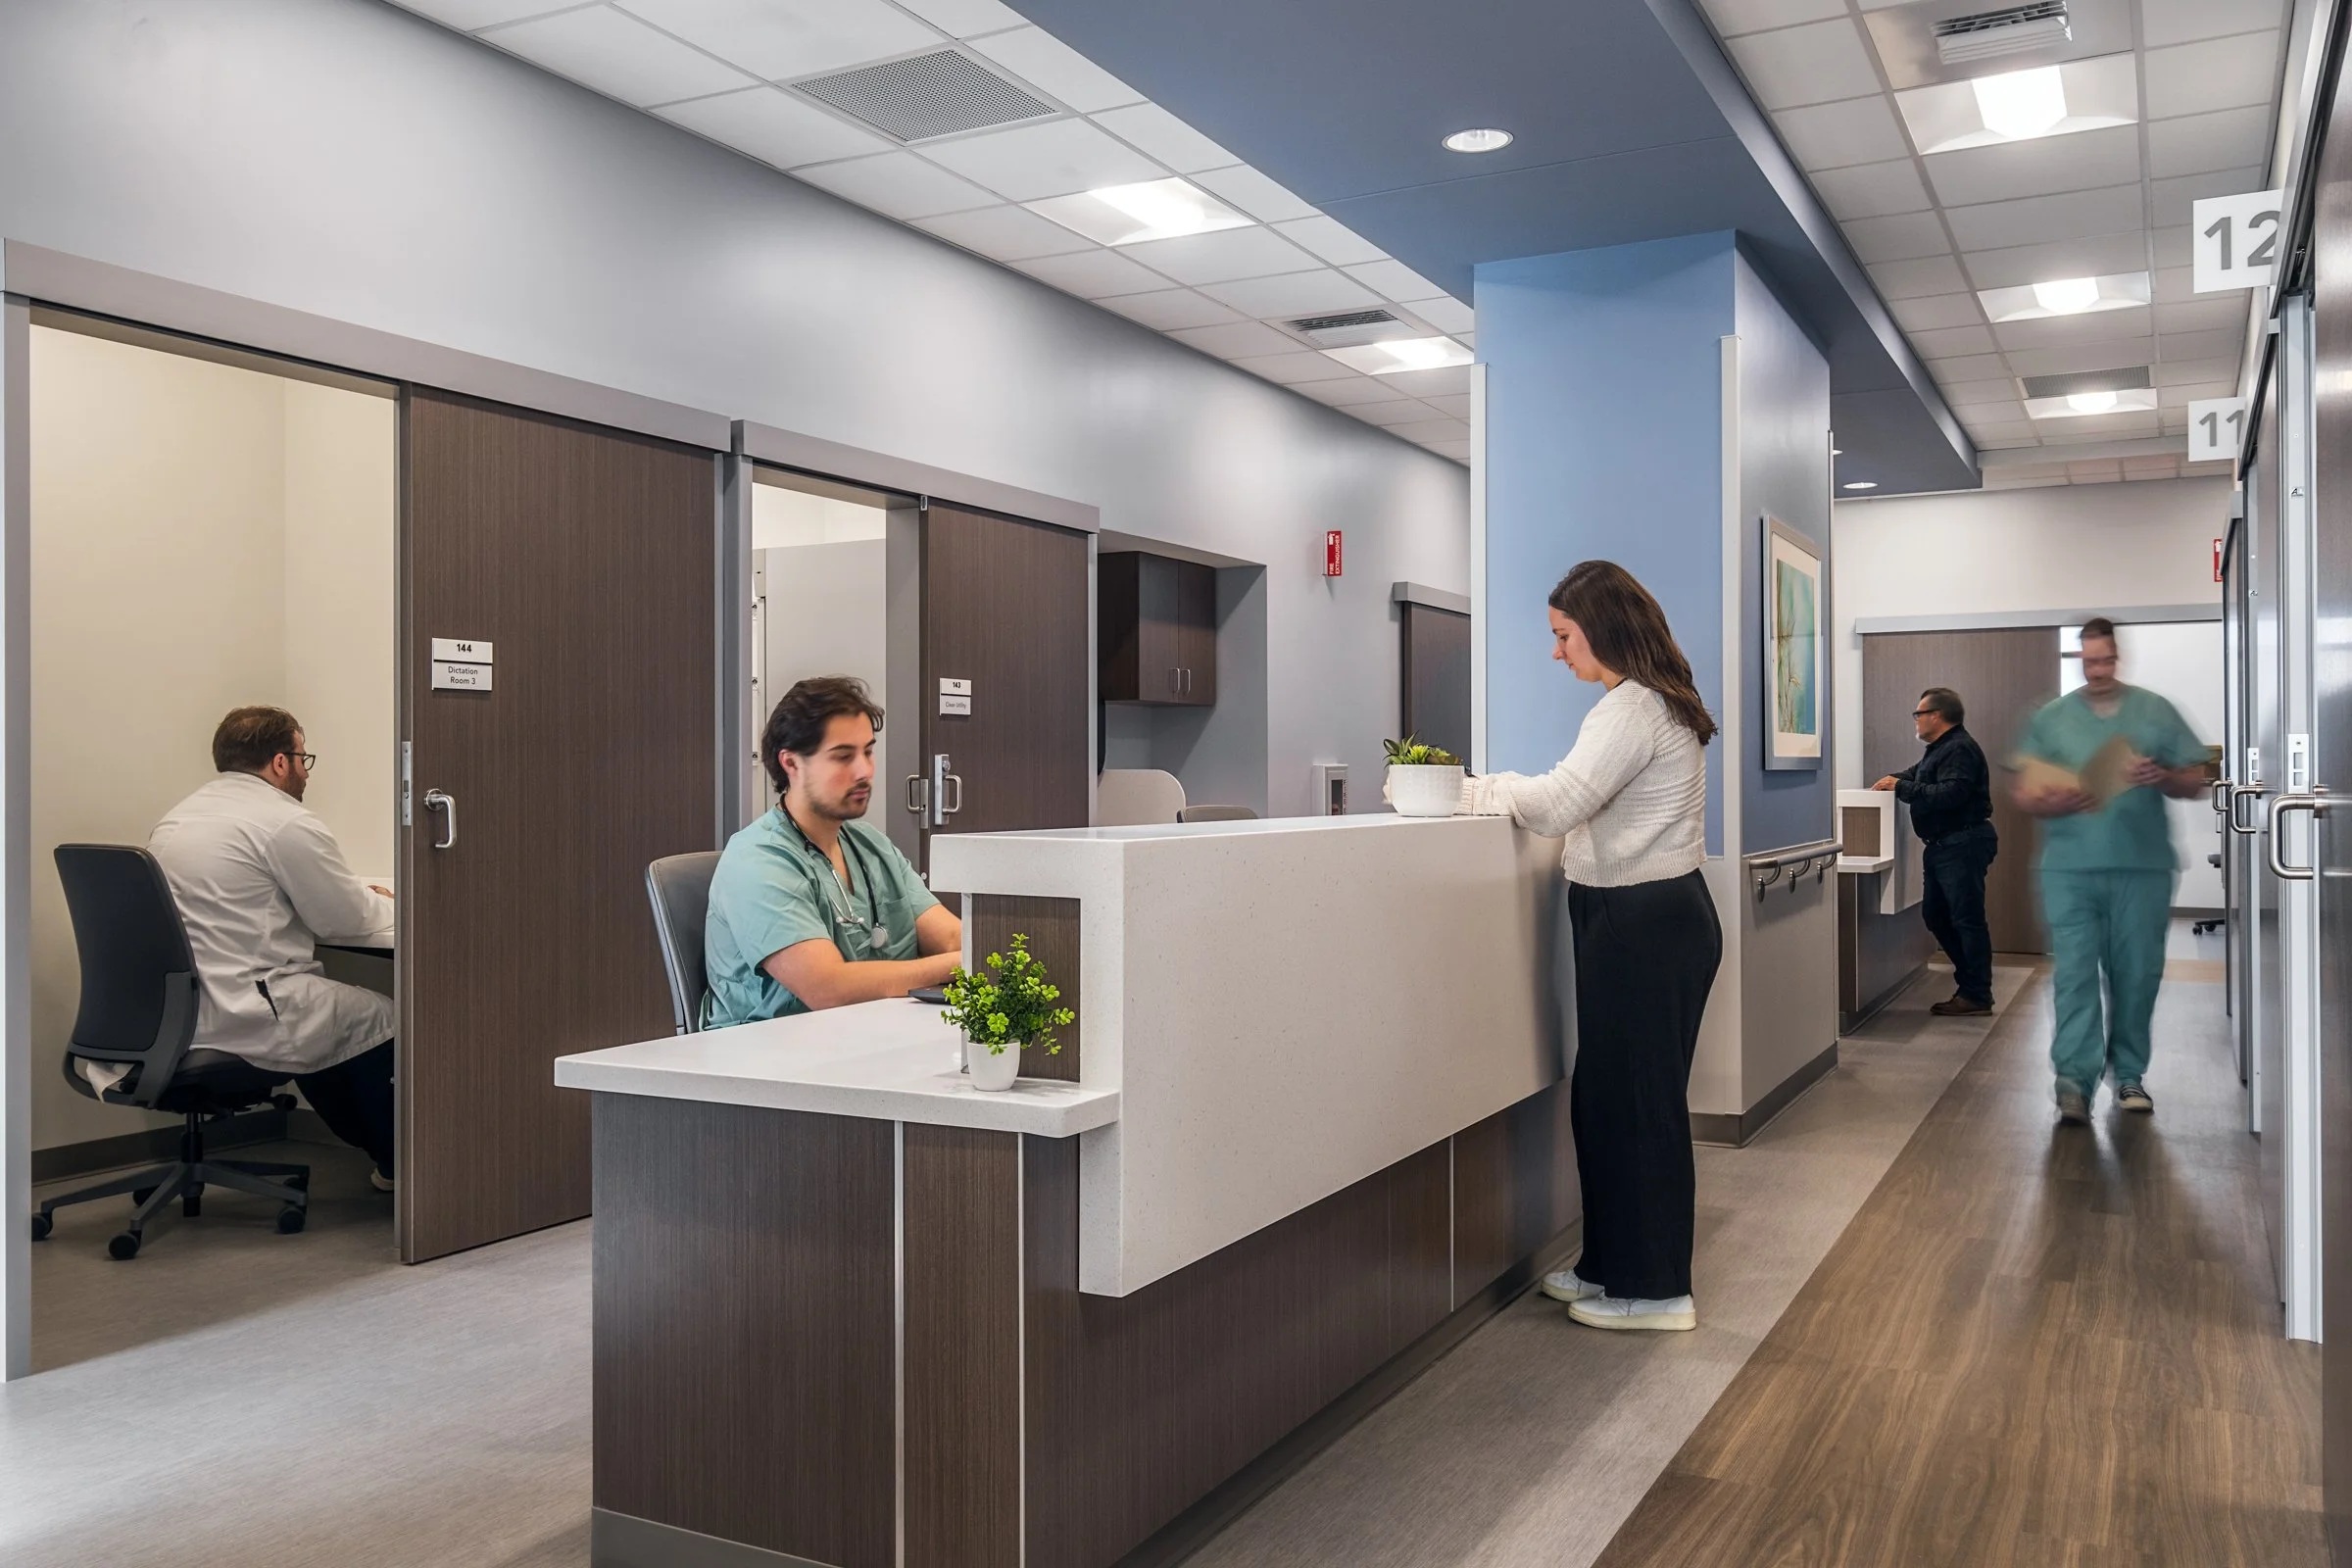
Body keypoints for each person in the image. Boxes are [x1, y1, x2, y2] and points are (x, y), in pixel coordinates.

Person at [1462, 561, 1721, 1333]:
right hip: (1643, 918)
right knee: (1608, 1100)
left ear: (1601, 628)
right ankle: (1609, 1265)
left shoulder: (1631, 709)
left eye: (1563, 635)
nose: (1556, 652)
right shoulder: (1644, 703)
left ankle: (1657, 1288)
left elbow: (1557, 805)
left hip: (1644, 923)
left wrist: (1479, 789)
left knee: (1639, 1107)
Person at [128, 707, 398, 1189]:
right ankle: (401, 1166)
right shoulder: (283, 822)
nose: (305, 771)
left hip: (178, 1009)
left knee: (333, 1024)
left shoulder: (178, 819)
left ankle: (384, 1158)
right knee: (385, 1019)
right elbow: (343, 917)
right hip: (248, 1005)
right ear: (280, 762)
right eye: (302, 758)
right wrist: (389, 904)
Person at [2014, 617, 2209, 1124]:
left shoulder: (2155, 711)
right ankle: (2073, 1081)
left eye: (2106, 660)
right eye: (2089, 661)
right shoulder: (2052, 718)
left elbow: (2196, 778)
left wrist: (2161, 775)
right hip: (2070, 869)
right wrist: (2052, 797)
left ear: (2118, 657)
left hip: (2141, 867)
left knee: (2136, 974)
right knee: (2075, 974)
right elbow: (2023, 792)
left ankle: (2128, 1075)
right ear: (2080, 658)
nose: (2097, 670)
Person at [705, 675, 962, 1027]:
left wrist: (992, 951)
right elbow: (827, 988)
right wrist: (963, 962)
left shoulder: (870, 844)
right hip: (770, 1059)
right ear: (791, 764)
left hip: (867, 1040)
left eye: (868, 751)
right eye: (843, 757)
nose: (865, 771)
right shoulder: (757, 860)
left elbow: (949, 936)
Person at [1873, 686, 1997, 1016]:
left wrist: (1899, 787)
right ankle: (1971, 985)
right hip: (1945, 847)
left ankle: (1976, 993)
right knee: (1937, 915)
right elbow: (1917, 776)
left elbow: (1950, 794)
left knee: (1966, 920)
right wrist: (1892, 780)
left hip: (1962, 843)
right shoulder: (1940, 749)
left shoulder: (1959, 749)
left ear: (1936, 716)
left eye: (1919, 714)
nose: (1916, 721)